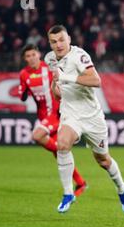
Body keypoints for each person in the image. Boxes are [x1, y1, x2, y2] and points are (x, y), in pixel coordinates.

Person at [44, 25, 124, 213]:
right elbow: (58, 95)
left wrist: (66, 77)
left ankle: (121, 188)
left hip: (91, 116)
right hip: (70, 114)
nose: (58, 45)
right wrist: (54, 84)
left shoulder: (79, 55)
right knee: (62, 144)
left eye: (61, 40)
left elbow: (96, 81)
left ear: (69, 39)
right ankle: (68, 193)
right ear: (49, 43)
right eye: (53, 41)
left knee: (103, 160)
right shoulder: (50, 59)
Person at [19, 44, 87, 197]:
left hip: (57, 114)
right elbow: (22, 93)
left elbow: (64, 81)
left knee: (37, 135)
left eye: (33, 54)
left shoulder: (49, 68)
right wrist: (23, 93)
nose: (31, 58)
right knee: (60, 152)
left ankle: (76, 183)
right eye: (28, 56)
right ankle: (81, 183)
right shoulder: (24, 74)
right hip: (43, 117)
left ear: (38, 54)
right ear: (25, 59)